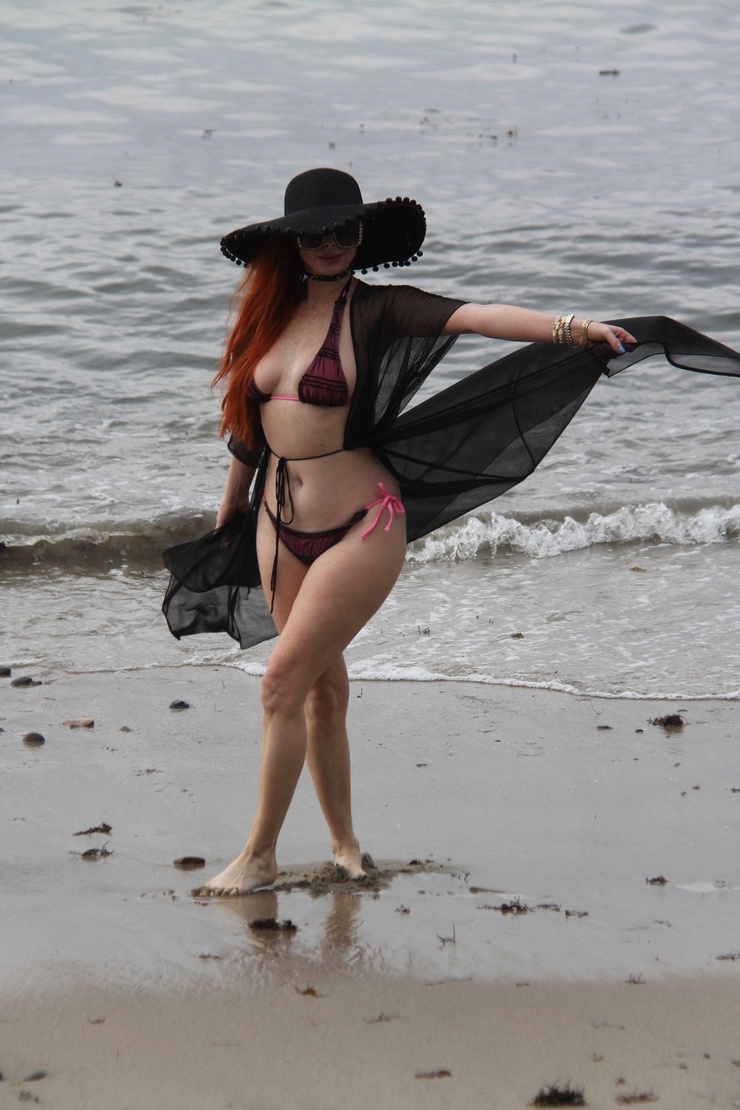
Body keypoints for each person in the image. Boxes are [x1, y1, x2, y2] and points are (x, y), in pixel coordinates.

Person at [163, 167, 738, 895]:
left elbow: (477, 315)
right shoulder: (268, 319)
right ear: (291, 243)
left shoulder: (379, 309)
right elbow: (249, 430)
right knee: (320, 692)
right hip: (278, 525)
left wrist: (575, 329)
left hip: (362, 523)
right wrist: (230, 510)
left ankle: (259, 856)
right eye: (316, 232)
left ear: (361, 235)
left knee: (279, 681)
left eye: (345, 229)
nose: (332, 242)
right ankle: (345, 846)